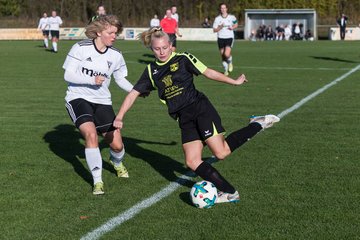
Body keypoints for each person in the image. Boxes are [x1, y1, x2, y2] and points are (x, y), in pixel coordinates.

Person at [113, 27, 280, 204]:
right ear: (151, 49)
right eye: (156, 49)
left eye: (164, 47)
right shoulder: (151, 71)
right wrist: (120, 116)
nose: (161, 52)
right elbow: (133, 94)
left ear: (171, 46)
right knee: (192, 161)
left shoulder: (183, 59)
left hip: (200, 109)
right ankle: (230, 192)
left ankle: (257, 124)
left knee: (221, 153)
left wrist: (234, 82)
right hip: (183, 119)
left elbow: (208, 72)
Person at [63, 15, 134, 195]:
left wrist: (136, 90)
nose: (114, 36)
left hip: (102, 101)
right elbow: (68, 75)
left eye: (116, 33)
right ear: (99, 32)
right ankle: (98, 181)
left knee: (117, 145)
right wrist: (91, 79)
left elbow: (120, 79)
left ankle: (116, 162)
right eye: (111, 33)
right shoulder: (80, 48)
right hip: (78, 98)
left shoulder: (116, 55)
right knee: (91, 134)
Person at [213, 3, 238, 76]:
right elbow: (214, 30)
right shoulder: (217, 19)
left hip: (229, 37)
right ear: (220, 9)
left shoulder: (232, 17)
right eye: (221, 8)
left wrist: (232, 28)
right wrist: (220, 27)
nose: (223, 9)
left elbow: (236, 24)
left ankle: (230, 62)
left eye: (224, 8)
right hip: (220, 38)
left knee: (226, 54)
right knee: (223, 56)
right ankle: (225, 70)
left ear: (227, 9)